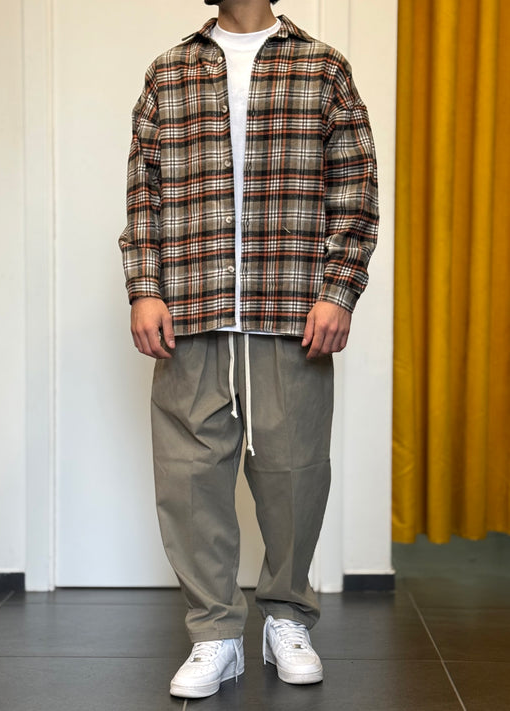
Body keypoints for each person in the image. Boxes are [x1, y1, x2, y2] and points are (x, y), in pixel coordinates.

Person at [118, 0, 378, 699]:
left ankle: (286, 618)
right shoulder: (170, 71)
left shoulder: (322, 66)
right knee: (189, 476)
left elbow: (355, 189)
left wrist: (338, 290)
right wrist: (144, 288)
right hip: (192, 304)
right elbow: (143, 192)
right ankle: (214, 633)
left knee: (295, 472)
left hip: (289, 307)